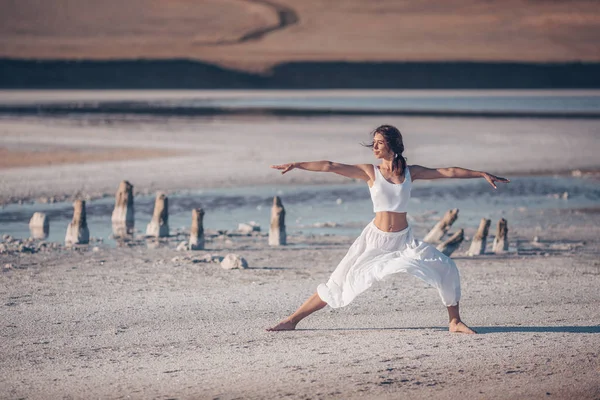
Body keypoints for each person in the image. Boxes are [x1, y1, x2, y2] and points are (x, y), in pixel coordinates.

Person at [266, 124, 509, 334]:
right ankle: (291, 320)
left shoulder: (410, 172)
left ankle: (454, 321)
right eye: (374, 143)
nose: (375, 147)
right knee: (338, 282)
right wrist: (298, 164)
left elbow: (448, 171)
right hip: (374, 241)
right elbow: (330, 165)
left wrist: (480, 173)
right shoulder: (369, 172)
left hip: (404, 241)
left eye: (380, 143)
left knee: (445, 267)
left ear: (392, 145)